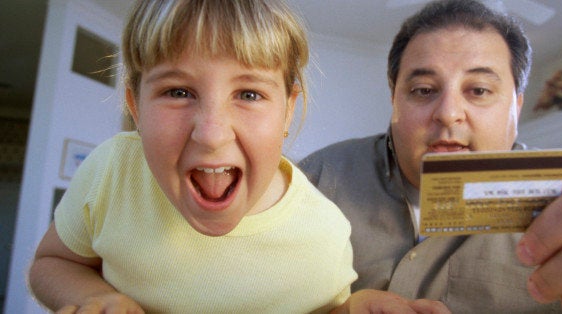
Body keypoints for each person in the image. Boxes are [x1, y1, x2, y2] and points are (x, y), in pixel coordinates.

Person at [28, 0, 358, 313]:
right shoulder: (112, 172)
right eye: (178, 92)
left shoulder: (326, 238)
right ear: (136, 107)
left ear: (287, 112)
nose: (212, 135)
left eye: (249, 94)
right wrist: (97, 297)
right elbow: (52, 263)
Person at [299, 0, 562, 313]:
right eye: (424, 90)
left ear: (516, 106)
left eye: (479, 90)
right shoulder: (315, 180)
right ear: (394, 99)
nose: (448, 113)